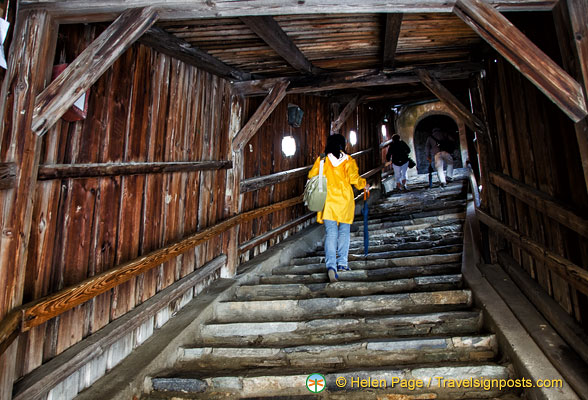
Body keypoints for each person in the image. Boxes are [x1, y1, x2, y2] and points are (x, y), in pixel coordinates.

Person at [307, 134, 369, 283]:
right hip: (344, 202)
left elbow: (311, 176)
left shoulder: (322, 160)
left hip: (328, 201)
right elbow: (355, 179)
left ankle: (331, 266)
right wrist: (364, 185)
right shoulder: (349, 160)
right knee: (344, 232)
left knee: (331, 233)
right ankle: (342, 264)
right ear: (343, 145)